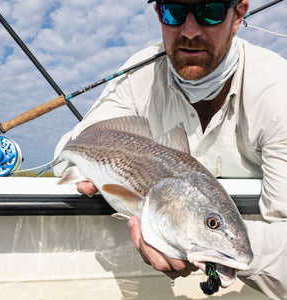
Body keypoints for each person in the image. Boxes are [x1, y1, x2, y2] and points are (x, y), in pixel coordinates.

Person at [54, 0, 287, 298]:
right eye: (173, 11)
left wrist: (190, 239)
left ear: (238, 14)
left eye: (210, 11)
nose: (189, 31)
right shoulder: (139, 71)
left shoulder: (279, 92)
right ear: (157, 13)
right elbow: (68, 150)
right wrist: (89, 169)